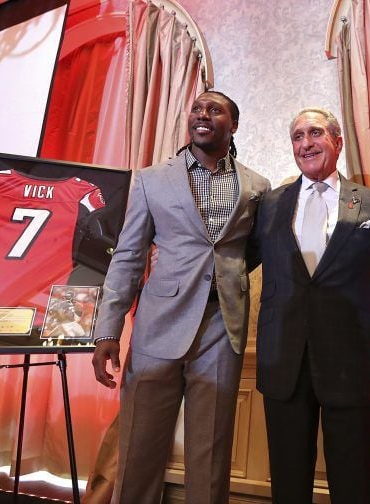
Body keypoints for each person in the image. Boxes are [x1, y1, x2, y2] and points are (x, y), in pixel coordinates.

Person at [91, 90, 271, 503]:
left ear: (234, 124)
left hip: (221, 330)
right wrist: (108, 330)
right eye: (196, 108)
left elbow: (251, 252)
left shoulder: (256, 187)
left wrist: (226, 281)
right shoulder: (152, 179)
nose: (202, 115)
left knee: (211, 455)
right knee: (139, 448)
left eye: (214, 109)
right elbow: (129, 255)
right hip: (159, 326)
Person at [251, 107, 370, 503]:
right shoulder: (271, 204)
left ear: (337, 141)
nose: (305, 143)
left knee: (355, 480)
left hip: (350, 361)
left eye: (315, 133)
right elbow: (237, 259)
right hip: (283, 363)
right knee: (289, 481)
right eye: (297, 136)